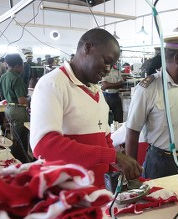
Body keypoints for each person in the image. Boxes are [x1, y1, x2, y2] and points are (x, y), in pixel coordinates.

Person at [30, 28, 142, 187]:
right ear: (88, 48)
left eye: (112, 64)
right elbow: (45, 146)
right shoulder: (53, 84)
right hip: (68, 192)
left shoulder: (96, 91)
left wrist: (118, 169)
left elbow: (105, 140)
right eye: (106, 61)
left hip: (98, 190)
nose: (108, 69)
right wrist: (113, 156)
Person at [125, 34, 178, 179]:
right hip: (162, 164)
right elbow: (132, 132)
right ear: (177, 59)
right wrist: (131, 174)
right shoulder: (148, 89)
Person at [0, 54, 30, 163]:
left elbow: (2, 94)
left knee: (15, 136)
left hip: (8, 109)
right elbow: (22, 100)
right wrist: (31, 99)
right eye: (22, 66)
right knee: (20, 139)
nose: (22, 68)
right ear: (17, 66)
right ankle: (18, 160)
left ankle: (15, 158)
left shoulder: (3, 76)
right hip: (18, 111)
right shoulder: (16, 78)